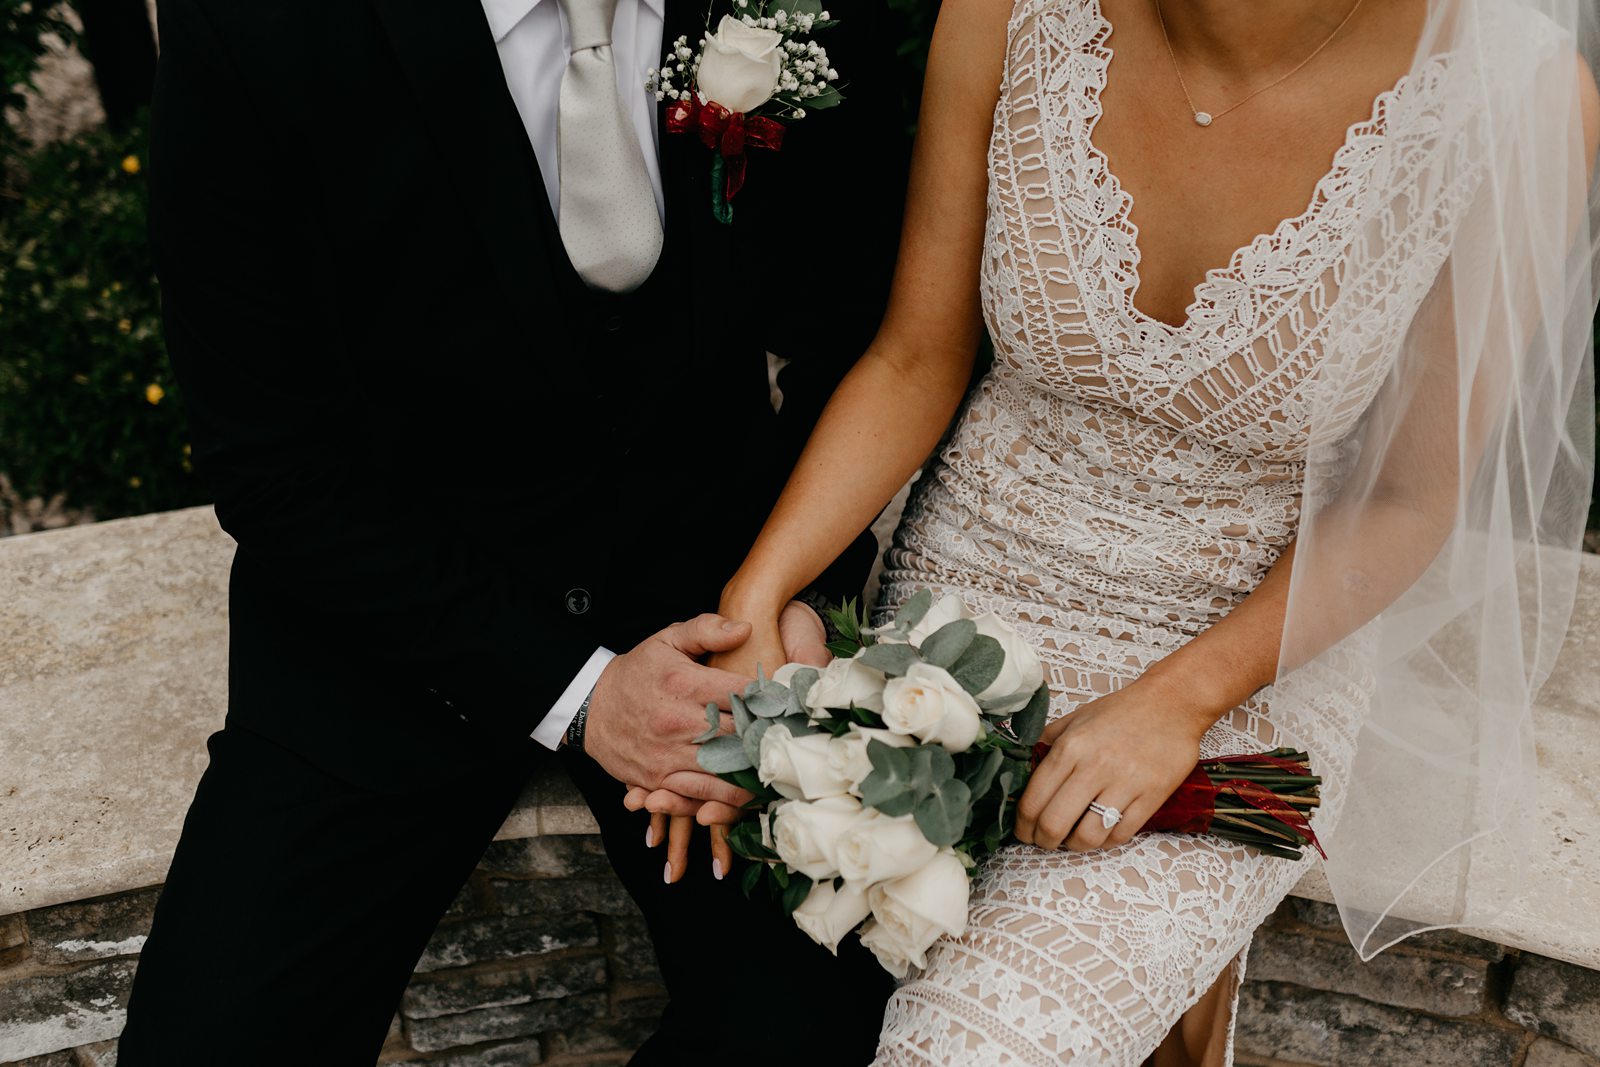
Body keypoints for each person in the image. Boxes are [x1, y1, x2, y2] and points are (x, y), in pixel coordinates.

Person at [674, 0, 1600, 1063]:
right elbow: (911, 359)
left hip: (1237, 661)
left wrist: (1178, 700)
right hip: (947, 624)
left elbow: (1404, 499)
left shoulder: (1517, 100)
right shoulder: (1004, 14)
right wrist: (754, 597)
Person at [116, 0, 905, 1062]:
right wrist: (577, 696)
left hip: (709, 603)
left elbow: (866, 335)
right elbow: (272, 461)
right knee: (211, 1043)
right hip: (391, 618)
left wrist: (790, 592)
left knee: (826, 1025)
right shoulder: (254, 26)